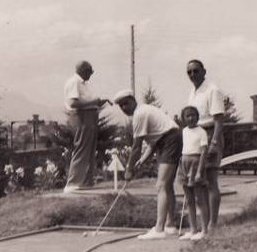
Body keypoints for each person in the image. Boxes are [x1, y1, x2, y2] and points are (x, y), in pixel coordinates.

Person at [113, 90, 181, 240]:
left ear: (133, 100)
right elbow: (153, 143)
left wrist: (129, 169)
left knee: (161, 185)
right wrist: (141, 161)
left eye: (126, 103)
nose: (124, 107)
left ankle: (159, 229)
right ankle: (170, 226)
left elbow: (136, 146)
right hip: (168, 140)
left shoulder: (140, 114)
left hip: (170, 140)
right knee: (167, 185)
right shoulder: (143, 110)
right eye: (121, 105)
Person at [184, 60, 226, 233]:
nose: (193, 75)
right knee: (199, 183)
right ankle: (203, 226)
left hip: (210, 135)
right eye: (189, 72)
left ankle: (213, 224)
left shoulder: (212, 90)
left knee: (211, 182)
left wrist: (214, 143)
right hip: (196, 136)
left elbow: (218, 120)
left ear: (204, 71)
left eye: (196, 71)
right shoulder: (193, 92)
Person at [63, 61, 107, 193]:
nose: (90, 75)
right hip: (81, 117)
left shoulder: (83, 83)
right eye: (89, 72)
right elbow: (73, 102)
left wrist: (97, 103)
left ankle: (85, 182)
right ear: (83, 71)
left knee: (89, 149)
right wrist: (94, 101)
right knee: (82, 147)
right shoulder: (74, 82)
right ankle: (73, 183)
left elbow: (85, 101)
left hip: (89, 116)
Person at [178, 105, 209, 242]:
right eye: (187, 116)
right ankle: (193, 229)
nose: (190, 118)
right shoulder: (184, 131)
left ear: (197, 117)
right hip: (184, 161)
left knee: (199, 199)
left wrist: (199, 171)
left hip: (196, 162)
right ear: (183, 119)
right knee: (189, 200)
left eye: (193, 115)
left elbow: (203, 152)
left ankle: (204, 230)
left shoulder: (201, 131)